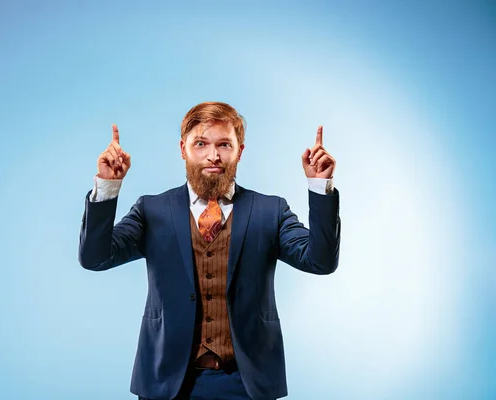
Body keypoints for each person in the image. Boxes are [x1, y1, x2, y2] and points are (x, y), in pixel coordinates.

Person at [78, 102, 341, 400]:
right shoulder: (151, 210)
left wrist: (320, 187)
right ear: (183, 149)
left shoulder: (271, 210)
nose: (213, 156)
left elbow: (320, 261)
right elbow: (95, 258)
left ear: (239, 151)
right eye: (201, 144)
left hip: (248, 383)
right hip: (167, 382)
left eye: (224, 145)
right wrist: (108, 188)